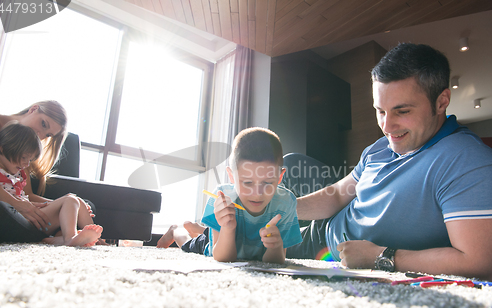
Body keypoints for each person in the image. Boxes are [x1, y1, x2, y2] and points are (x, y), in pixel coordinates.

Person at [286, 43, 492, 280]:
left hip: (330, 252)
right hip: (325, 226)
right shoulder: (380, 147)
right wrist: (284, 207)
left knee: (251, 247)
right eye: (380, 111)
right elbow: (337, 195)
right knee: (288, 167)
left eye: (402, 111)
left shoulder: (466, 161)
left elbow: (480, 262)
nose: (386, 127)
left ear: (441, 101)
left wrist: (381, 257)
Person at [157, 127, 302, 264]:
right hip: (220, 243)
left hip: (236, 236)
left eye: (268, 183)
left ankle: (200, 229)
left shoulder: (286, 202)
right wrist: (227, 228)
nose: (257, 194)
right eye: (247, 183)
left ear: (280, 177)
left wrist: (275, 246)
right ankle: (176, 230)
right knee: (187, 244)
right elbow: (223, 258)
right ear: (231, 177)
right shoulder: (223, 197)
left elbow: (275, 262)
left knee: (210, 232)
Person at [0, 122, 103, 246]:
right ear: (3, 148)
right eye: (24, 157)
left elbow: (26, 197)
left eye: (29, 160)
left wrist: (54, 203)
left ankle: (95, 241)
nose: (27, 164)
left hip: (31, 216)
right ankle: (70, 238)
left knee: (76, 200)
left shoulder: (19, 173)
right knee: (70, 201)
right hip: (18, 218)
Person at [0, 100, 68, 230]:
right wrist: (15, 204)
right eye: (43, 124)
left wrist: (63, 204)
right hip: (0, 206)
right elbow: (19, 202)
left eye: (48, 135)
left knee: (76, 205)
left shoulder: (25, 148)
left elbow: (26, 195)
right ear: (33, 109)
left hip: (12, 207)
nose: (40, 135)